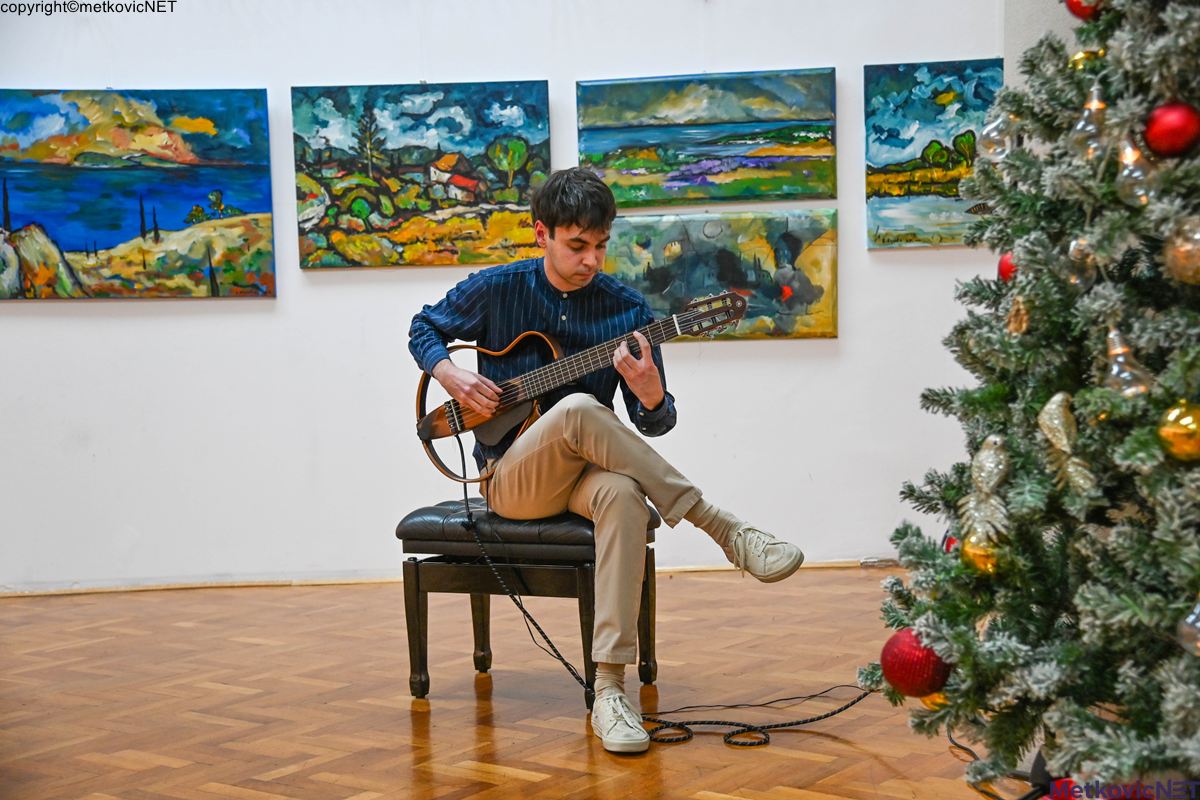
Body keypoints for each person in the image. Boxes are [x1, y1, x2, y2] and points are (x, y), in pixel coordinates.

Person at [408, 167, 804, 754]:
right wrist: (450, 374)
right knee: (577, 409)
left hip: (584, 478)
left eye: (600, 245)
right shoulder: (498, 288)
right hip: (509, 477)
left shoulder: (627, 309)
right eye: (576, 246)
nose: (591, 260)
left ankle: (611, 691)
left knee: (622, 494)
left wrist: (651, 396)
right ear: (541, 233)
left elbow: (653, 423)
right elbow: (423, 327)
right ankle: (722, 527)